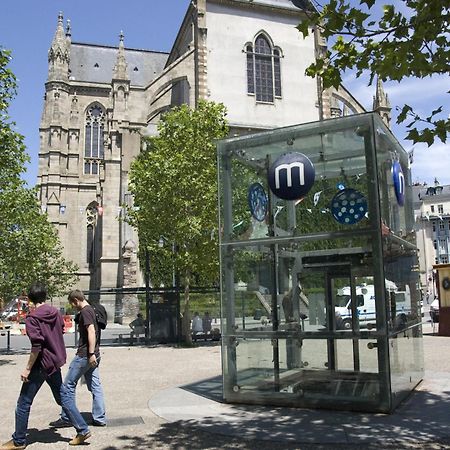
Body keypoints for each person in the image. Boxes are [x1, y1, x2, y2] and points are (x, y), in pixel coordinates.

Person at [0, 282, 89, 450]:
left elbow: (37, 346)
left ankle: (19, 441)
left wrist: (27, 368)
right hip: (54, 361)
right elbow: (60, 331)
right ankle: (82, 429)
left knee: (23, 403)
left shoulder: (32, 319)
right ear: (45, 296)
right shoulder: (55, 313)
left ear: (31, 299)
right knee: (62, 396)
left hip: (41, 364)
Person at [49, 290, 106, 437]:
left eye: (72, 304)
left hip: (85, 355)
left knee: (67, 385)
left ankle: (67, 417)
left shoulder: (86, 312)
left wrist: (90, 353)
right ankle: (99, 418)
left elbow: (91, 332)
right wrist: (94, 354)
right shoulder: (92, 310)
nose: (73, 307)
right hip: (94, 354)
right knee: (95, 385)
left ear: (76, 300)